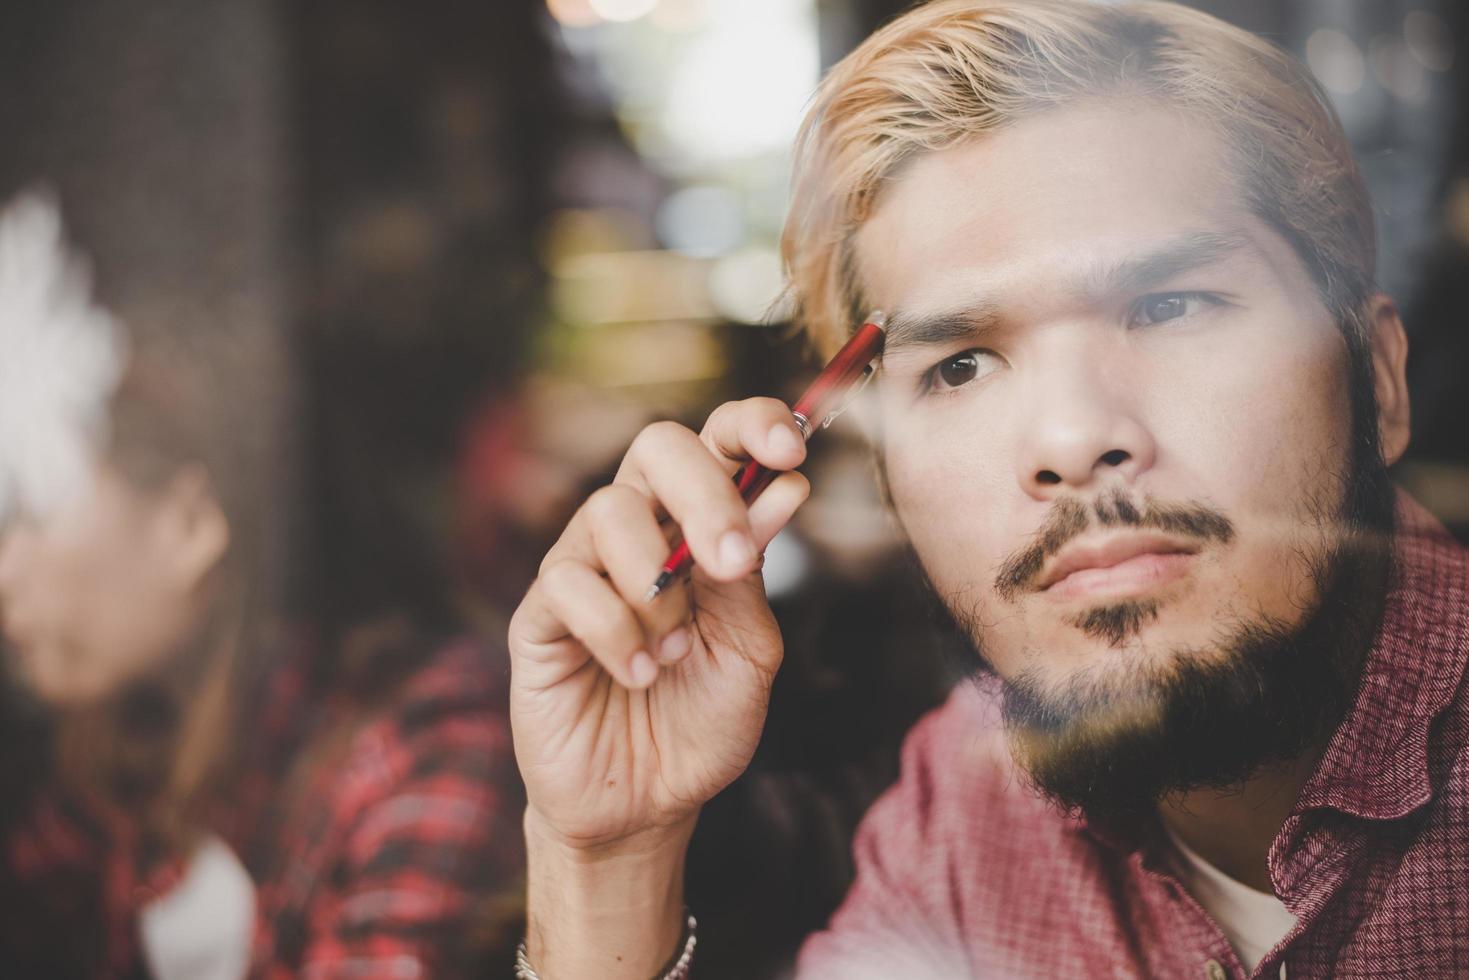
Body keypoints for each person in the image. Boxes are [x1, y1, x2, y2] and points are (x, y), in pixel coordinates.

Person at [506, 1, 1469, 977]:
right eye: (960, 365)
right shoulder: (970, 809)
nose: (1068, 438)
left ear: (1377, 379)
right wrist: (607, 858)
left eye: (1167, 305)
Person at [0, 192, 523, 978]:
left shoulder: (423, 731)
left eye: (31, 514)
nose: (6, 568)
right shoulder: (113, 748)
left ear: (189, 524)